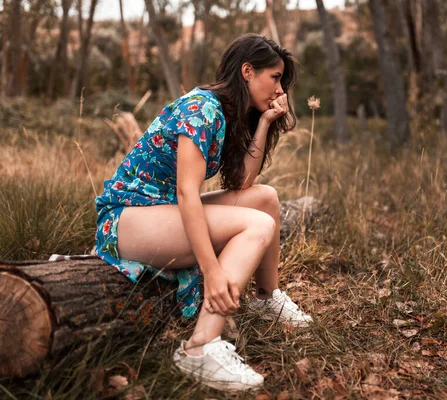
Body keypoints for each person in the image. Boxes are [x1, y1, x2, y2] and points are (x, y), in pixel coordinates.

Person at [93, 33, 312, 392]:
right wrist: (211, 269)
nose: (279, 89)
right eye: (275, 77)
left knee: (266, 200)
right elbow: (186, 192)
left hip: (162, 211)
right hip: (128, 218)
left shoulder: (226, 114)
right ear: (247, 71)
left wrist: (265, 121)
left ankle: (265, 299)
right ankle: (199, 348)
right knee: (256, 225)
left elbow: (242, 180)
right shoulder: (201, 108)